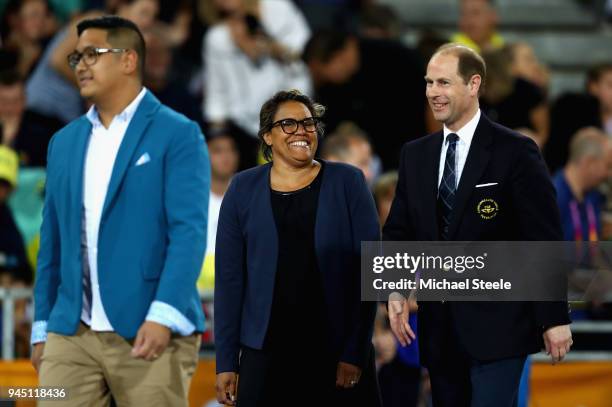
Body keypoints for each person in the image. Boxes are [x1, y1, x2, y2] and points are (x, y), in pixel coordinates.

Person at [29, 15, 210, 406]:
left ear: (128, 60)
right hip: (70, 334)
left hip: (149, 327)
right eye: (77, 57)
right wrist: (42, 328)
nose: (81, 65)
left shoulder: (179, 133)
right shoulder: (63, 141)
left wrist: (162, 315)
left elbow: (188, 233)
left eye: (93, 54)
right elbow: (52, 243)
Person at [383, 43, 573, 407]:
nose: (433, 93)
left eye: (443, 82)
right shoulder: (415, 155)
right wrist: (393, 289)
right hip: (440, 331)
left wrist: (553, 317)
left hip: (500, 327)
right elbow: (398, 231)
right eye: (428, 83)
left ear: (473, 84)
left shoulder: (516, 151)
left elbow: (543, 238)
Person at [214, 89, 381, 406]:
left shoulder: (348, 182)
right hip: (264, 356)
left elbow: (368, 270)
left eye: (308, 123)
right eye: (288, 123)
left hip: (335, 354)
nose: (302, 131)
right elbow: (229, 280)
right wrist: (226, 362)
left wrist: (354, 351)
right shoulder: (242, 188)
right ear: (267, 135)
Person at [201, 0, 312, 168]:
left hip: (292, 121)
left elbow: (306, 52)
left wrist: (269, 45)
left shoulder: (277, 7)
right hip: (245, 132)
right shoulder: (217, 37)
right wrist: (218, 136)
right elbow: (217, 93)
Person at [553, 127, 609, 242]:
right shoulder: (552, 197)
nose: (609, 174)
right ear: (589, 163)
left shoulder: (594, 196)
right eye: (609, 166)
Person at [0, 70, 63, 167]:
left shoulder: (39, 134)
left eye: (15, 101)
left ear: (24, 101)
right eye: (4, 102)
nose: (9, 109)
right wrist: (6, 141)